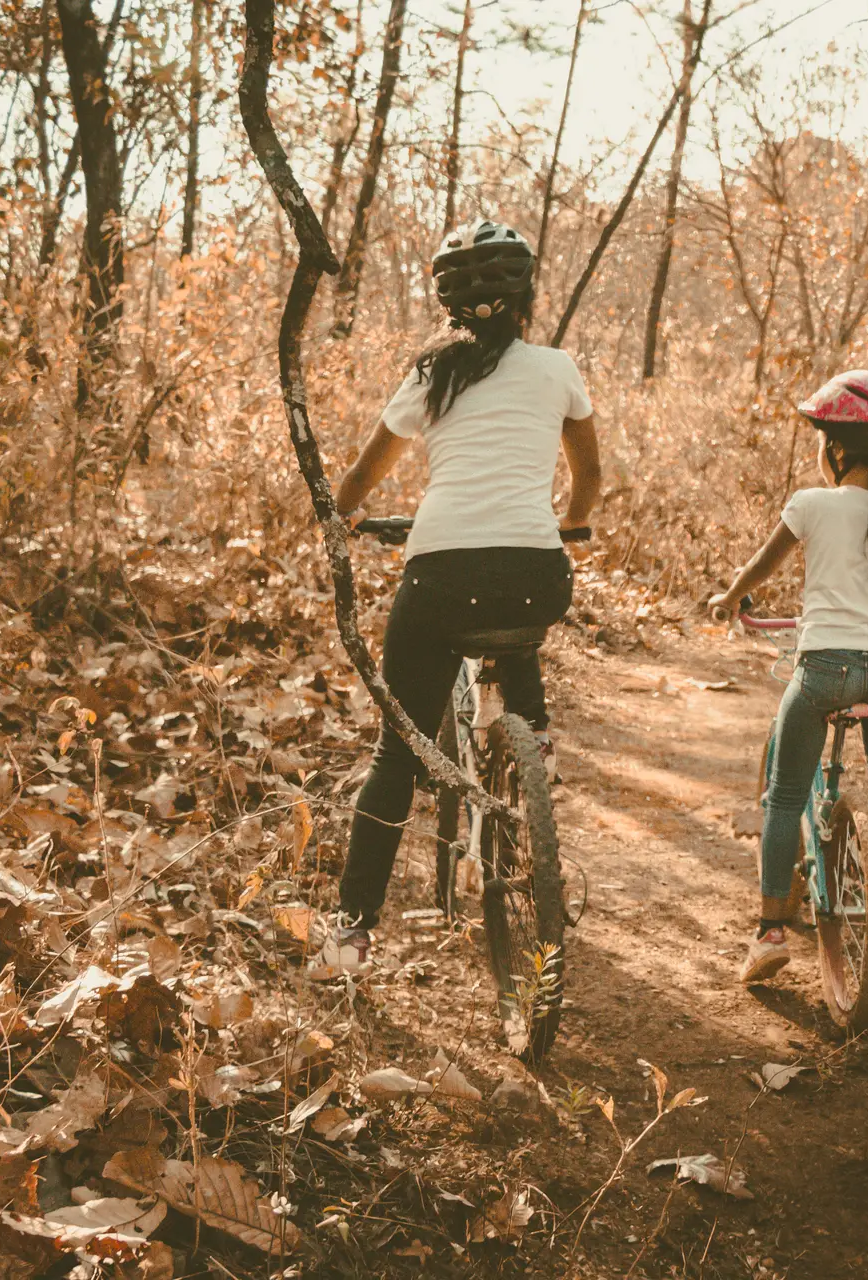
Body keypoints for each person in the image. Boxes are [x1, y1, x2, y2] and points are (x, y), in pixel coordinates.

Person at [315, 218, 601, 979]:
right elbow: (591, 478)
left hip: (439, 574)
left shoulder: (429, 374)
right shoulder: (556, 367)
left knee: (397, 755)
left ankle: (348, 935)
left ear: (446, 305)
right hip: (536, 573)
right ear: (526, 297)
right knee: (520, 623)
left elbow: (359, 482)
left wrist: (342, 518)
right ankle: (529, 745)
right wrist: (569, 523)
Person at [707, 370, 868, 984]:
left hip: (825, 671)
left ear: (836, 448)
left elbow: (763, 564)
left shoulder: (812, 504)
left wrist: (730, 597)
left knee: (784, 796)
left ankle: (768, 934)